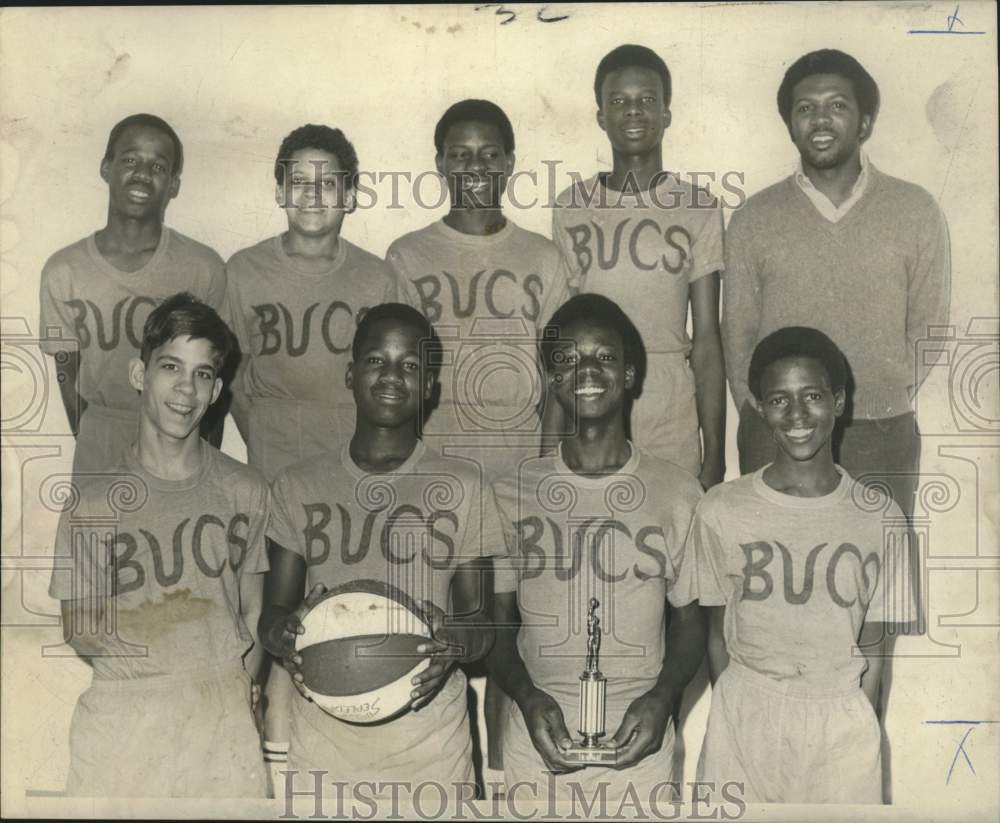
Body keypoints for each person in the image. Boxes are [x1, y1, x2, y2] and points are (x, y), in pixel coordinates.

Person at [387, 98, 575, 777]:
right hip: (438, 479)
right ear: (439, 163)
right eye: (459, 152)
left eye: (488, 152)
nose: (474, 164)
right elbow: (398, 377)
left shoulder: (544, 258)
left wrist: (546, 474)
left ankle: (505, 777)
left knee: (509, 640)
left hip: (516, 473)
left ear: (510, 163)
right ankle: (442, 776)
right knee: (441, 634)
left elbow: (558, 379)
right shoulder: (408, 255)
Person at [258, 303, 503, 796]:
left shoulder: (463, 484)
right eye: (376, 360)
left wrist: (454, 641)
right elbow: (272, 613)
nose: (392, 376)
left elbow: (482, 620)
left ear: (430, 386)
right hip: (325, 754)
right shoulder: (297, 484)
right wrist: (284, 634)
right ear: (350, 374)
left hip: (431, 752)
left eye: (410, 366)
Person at [223, 123, 402, 775]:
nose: (314, 193)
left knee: (344, 613)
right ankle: (270, 764)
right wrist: (266, 435)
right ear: (278, 191)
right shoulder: (242, 270)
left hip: (351, 473)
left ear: (351, 194)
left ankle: (348, 758)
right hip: (273, 464)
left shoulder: (376, 275)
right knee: (273, 620)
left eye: (329, 181)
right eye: (299, 180)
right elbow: (231, 377)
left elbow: (394, 379)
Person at [48, 293, 269, 798]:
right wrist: (172, 646)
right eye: (171, 366)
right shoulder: (92, 502)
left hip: (221, 714)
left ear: (216, 393)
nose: (185, 389)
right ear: (139, 375)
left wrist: (238, 690)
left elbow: (254, 611)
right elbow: (81, 627)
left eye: (203, 374)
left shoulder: (247, 490)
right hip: (124, 713)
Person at [488, 294, 706, 804]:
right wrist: (526, 697)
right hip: (537, 744)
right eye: (567, 359)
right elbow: (494, 627)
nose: (586, 369)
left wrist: (664, 697)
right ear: (552, 379)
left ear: (630, 374)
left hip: (641, 752)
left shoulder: (678, 492)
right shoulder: (509, 492)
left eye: (604, 356)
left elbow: (692, 623)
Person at [721, 48, 951, 522]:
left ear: (865, 122)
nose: (820, 119)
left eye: (837, 106)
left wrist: (881, 392)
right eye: (805, 108)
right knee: (776, 577)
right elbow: (737, 335)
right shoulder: (752, 219)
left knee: (881, 581)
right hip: (777, 432)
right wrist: (771, 410)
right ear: (789, 123)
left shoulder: (915, 210)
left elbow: (929, 327)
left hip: (880, 429)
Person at [690, 327, 916, 804]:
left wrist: (861, 734)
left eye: (812, 396)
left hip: (839, 722)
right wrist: (733, 717)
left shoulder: (880, 516)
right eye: (779, 399)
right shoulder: (722, 509)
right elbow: (716, 634)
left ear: (838, 401)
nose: (796, 414)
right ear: (758, 407)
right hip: (744, 715)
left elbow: (875, 652)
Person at [551, 44, 726, 490]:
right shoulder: (572, 207)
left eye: (647, 100)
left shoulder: (698, 206)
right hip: (591, 398)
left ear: (666, 114)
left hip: (669, 405)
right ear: (600, 116)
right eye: (619, 101)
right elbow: (560, 336)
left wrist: (717, 457)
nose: (634, 112)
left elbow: (706, 340)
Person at [39, 114, 228, 476]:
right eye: (129, 160)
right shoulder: (64, 270)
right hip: (102, 434)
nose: (142, 173)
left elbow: (220, 368)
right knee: (96, 532)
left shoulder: (202, 267)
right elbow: (66, 367)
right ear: (105, 167)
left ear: (173, 184)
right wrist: (92, 432)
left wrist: (203, 446)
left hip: (181, 437)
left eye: (158, 166)